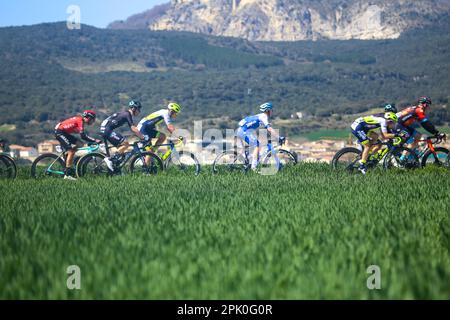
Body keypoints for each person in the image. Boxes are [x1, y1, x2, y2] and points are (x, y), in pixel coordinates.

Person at [236, 102, 285, 171]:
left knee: (254, 145)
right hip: (244, 131)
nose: (272, 112)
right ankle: (254, 167)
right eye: (271, 110)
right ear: (268, 110)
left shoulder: (260, 115)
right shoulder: (264, 116)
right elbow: (269, 129)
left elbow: (265, 126)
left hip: (241, 130)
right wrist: (279, 137)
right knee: (257, 145)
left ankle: (247, 161)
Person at [350, 108, 400, 175]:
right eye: (394, 123)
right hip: (358, 127)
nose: (394, 125)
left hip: (364, 128)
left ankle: (367, 155)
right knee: (367, 146)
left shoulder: (384, 121)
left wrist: (392, 136)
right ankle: (362, 166)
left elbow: (383, 135)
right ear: (390, 121)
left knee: (376, 138)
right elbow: (385, 136)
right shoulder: (383, 121)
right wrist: (398, 135)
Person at [54, 110, 100, 180]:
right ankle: (67, 175)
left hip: (64, 133)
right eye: (92, 120)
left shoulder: (80, 120)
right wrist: (94, 140)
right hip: (60, 133)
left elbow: (80, 135)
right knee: (71, 151)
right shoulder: (80, 121)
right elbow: (83, 136)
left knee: (81, 144)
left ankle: (70, 159)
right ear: (89, 118)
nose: (92, 122)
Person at [100, 100, 145, 171]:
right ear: (134, 108)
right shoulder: (127, 114)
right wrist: (143, 137)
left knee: (122, 153)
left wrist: (138, 134)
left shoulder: (125, 114)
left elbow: (133, 128)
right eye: (138, 109)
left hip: (105, 129)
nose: (139, 111)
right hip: (107, 130)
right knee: (125, 144)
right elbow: (133, 128)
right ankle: (110, 159)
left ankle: (115, 169)